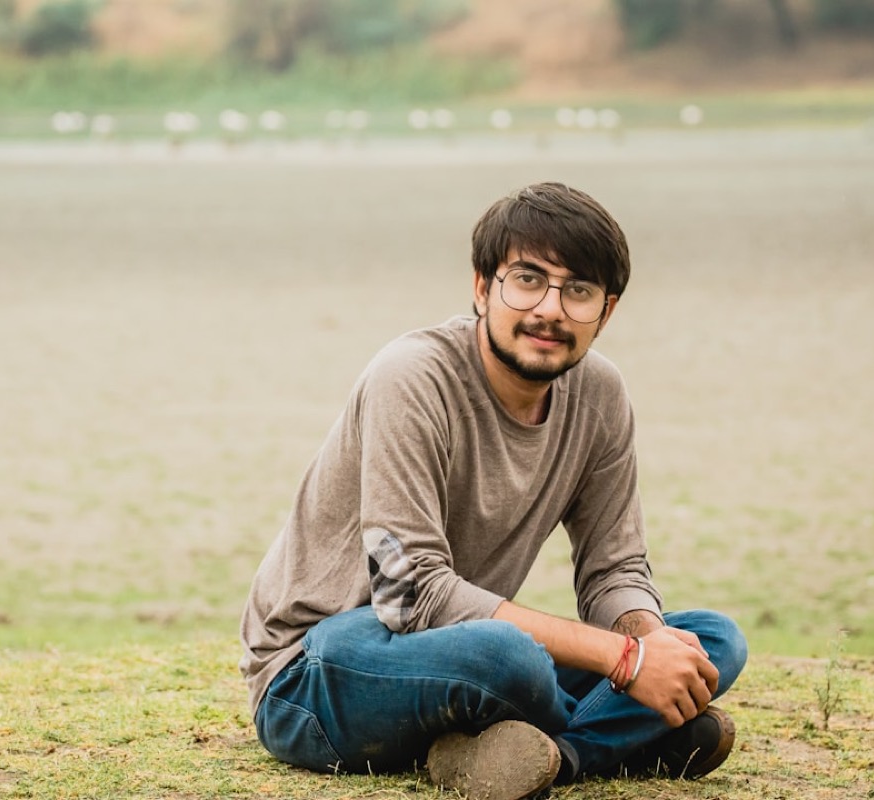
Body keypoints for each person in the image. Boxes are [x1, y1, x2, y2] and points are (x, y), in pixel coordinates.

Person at [239, 182, 748, 800]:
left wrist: (647, 638)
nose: (551, 310)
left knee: (712, 642)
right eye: (528, 280)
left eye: (578, 291)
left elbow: (614, 568)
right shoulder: (412, 377)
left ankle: (553, 759)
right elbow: (409, 594)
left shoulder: (601, 395)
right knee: (511, 660)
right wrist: (624, 664)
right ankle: (622, 740)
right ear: (482, 287)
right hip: (317, 669)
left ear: (605, 311)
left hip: (459, 650)